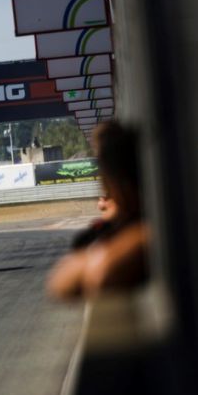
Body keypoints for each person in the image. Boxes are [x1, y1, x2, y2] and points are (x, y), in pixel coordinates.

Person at [47, 121, 149, 299]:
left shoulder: (151, 229)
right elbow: (60, 283)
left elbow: (101, 274)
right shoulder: (101, 231)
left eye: (106, 196)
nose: (100, 205)